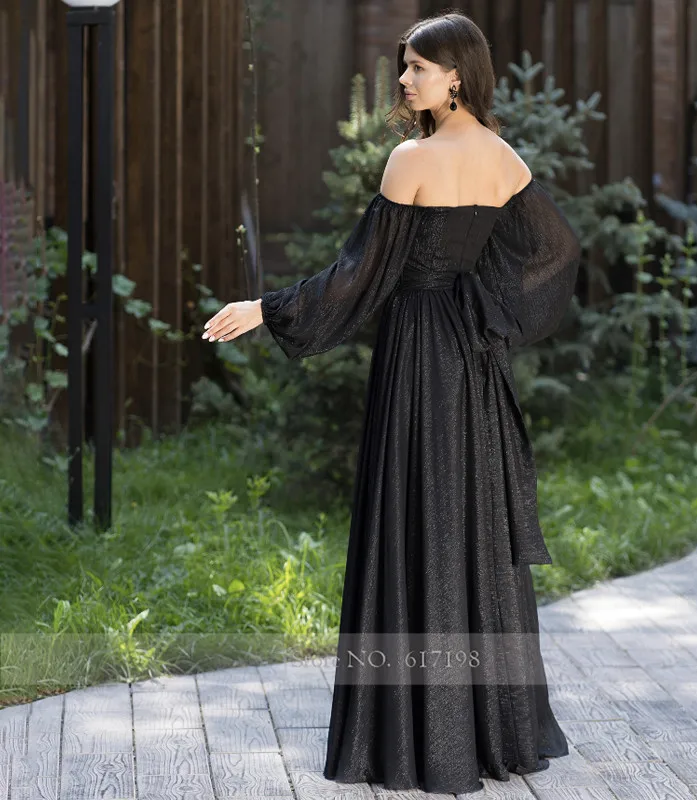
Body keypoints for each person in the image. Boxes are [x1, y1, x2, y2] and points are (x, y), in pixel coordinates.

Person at [202, 10, 581, 795]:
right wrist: (488, 310)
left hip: (417, 355)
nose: (404, 79)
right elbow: (557, 250)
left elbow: (356, 278)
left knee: (415, 519)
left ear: (456, 75)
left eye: (417, 67)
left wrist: (265, 308)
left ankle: (413, 743)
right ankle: (490, 735)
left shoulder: (411, 161)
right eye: (404, 65)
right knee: (470, 524)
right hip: (474, 362)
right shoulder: (503, 157)